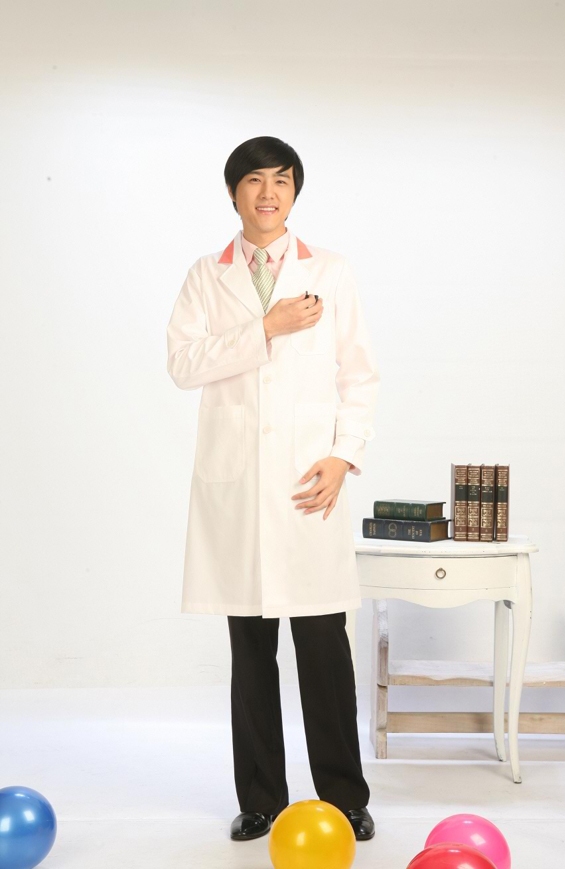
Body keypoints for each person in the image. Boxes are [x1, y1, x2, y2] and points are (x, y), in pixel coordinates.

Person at [166, 136, 381, 842]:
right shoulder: (207, 276)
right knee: (251, 652)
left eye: (281, 181)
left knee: (324, 650)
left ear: (294, 192)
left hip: (307, 486)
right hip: (237, 491)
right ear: (234, 192)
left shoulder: (331, 271)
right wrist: (268, 326)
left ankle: (345, 797)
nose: (268, 193)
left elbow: (359, 375)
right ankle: (261, 798)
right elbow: (183, 364)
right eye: (255, 181)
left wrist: (343, 457)